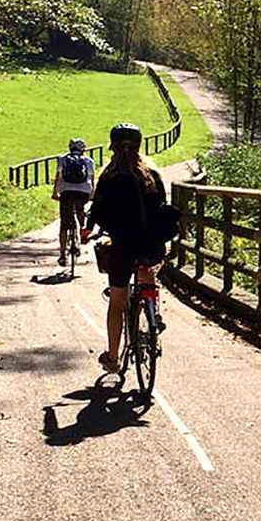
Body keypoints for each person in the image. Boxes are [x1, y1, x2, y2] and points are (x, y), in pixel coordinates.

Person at [84, 122, 167, 373]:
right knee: (147, 270)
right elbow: (163, 206)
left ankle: (112, 357)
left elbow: (96, 208)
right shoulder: (152, 172)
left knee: (117, 301)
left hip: (122, 246)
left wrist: (89, 229)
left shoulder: (110, 175)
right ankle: (153, 317)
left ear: (113, 145)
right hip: (151, 245)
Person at [51, 138, 95, 267]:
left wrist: (55, 192)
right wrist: (92, 194)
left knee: (64, 224)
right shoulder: (88, 161)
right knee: (80, 210)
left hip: (66, 191)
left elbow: (58, 176)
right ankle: (81, 233)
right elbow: (92, 178)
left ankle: (63, 255)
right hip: (83, 191)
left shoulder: (62, 159)